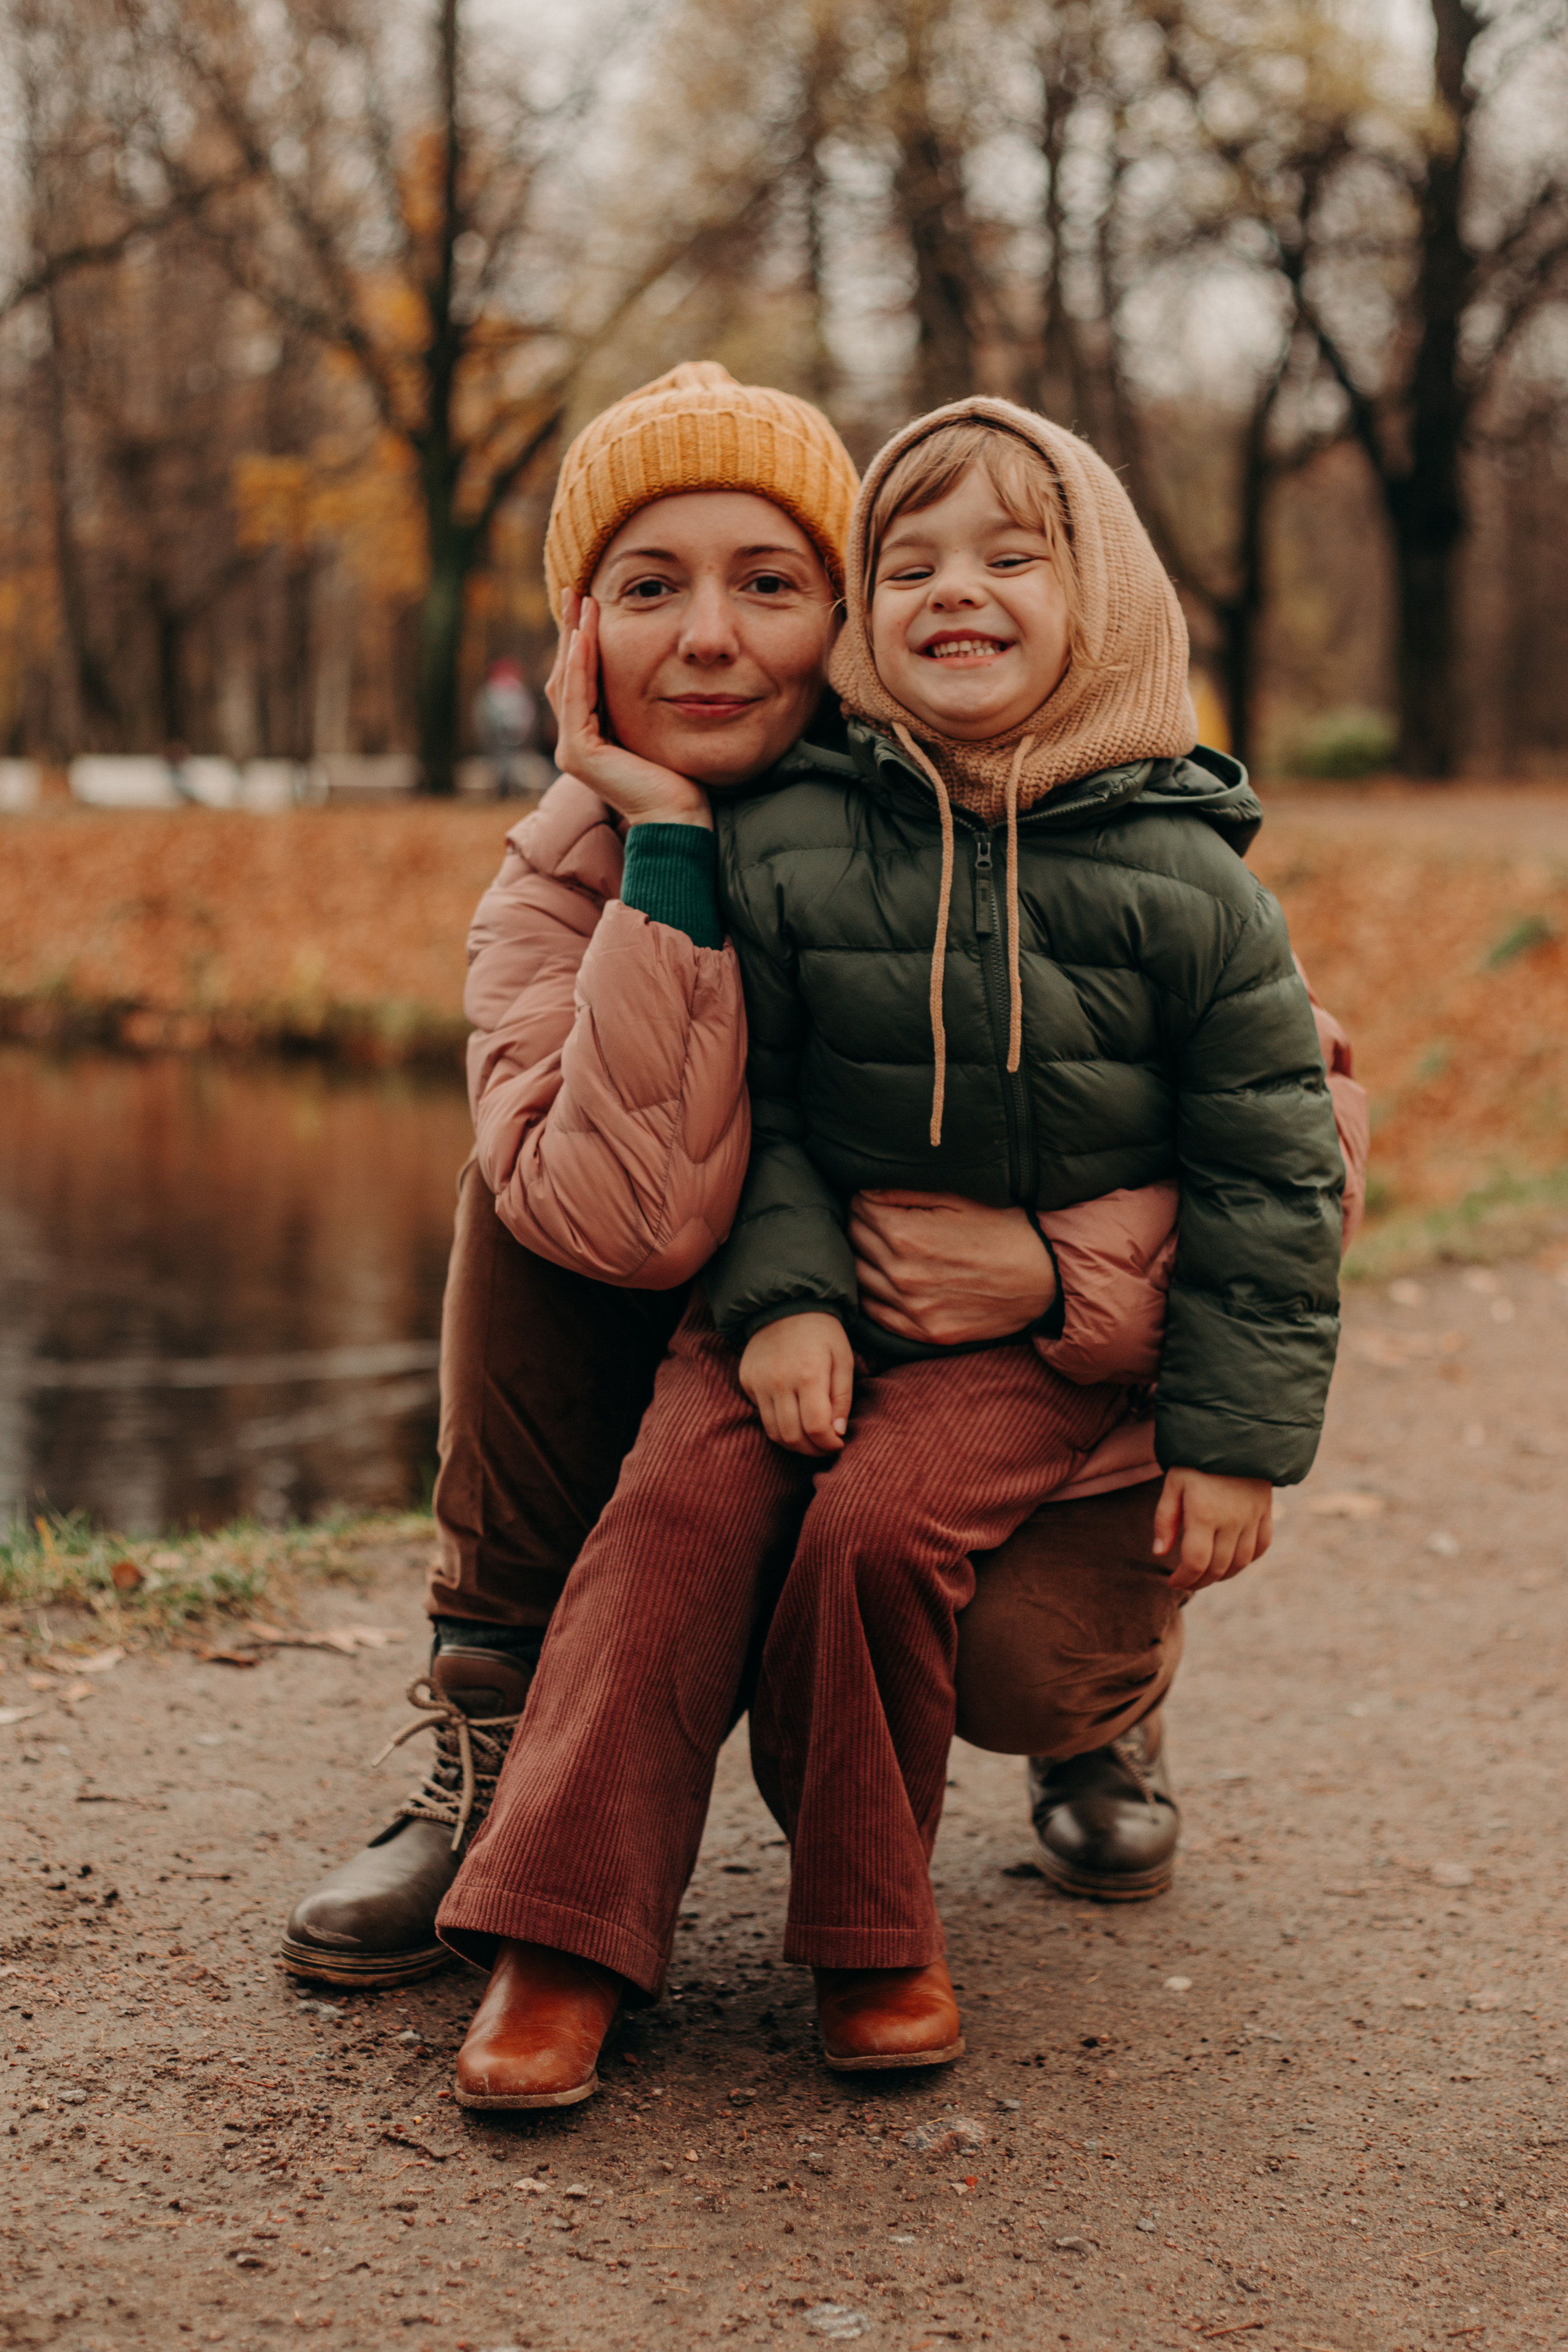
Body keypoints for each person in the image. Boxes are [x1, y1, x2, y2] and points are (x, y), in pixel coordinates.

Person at [279, 366, 1365, 2018]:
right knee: (517, 1192)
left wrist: (1055, 1277)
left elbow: (1304, 1141)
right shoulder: (564, 871)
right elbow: (629, 1217)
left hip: (1012, 1384)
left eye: (771, 584)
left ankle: (1091, 1717)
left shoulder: (1054, 812)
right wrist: (663, 849)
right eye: (651, 591)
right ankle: (496, 1739)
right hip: (758, 1333)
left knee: (988, 1635)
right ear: (580, 636)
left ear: (839, 614)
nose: (711, 638)